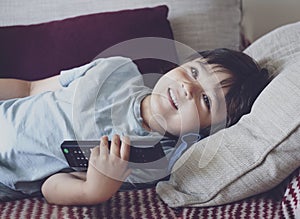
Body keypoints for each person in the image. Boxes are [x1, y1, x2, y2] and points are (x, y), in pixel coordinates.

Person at [0, 48, 270, 205]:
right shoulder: (116, 70)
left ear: (207, 132)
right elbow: (30, 88)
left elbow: (50, 185)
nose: (188, 87)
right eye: (195, 72)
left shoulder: (150, 159)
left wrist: (94, 190)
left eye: (206, 100)